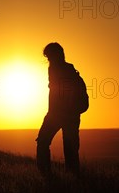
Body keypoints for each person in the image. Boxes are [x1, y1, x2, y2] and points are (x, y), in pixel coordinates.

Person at [36, 42, 85, 175]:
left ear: (57, 55)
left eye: (50, 56)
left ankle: (49, 175)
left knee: (49, 143)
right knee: (68, 147)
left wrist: (57, 112)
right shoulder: (57, 69)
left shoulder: (64, 71)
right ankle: (57, 175)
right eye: (47, 57)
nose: (48, 60)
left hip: (62, 114)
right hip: (64, 115)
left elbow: (63, 94)